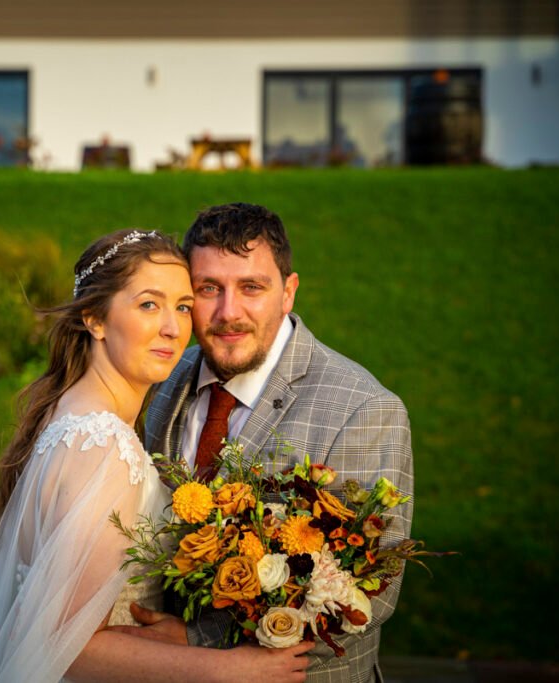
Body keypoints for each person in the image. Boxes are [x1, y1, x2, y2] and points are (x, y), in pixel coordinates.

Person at [0, 228, 313, 682]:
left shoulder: (70, 411)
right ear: (95, 319)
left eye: (183, 306)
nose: (174, 329)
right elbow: (63, 645)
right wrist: (229, 669)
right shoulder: (103, 446)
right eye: (148, 305)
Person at [129, 204, 414, 682]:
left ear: (288, 292)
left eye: (252, 288)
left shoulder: (363, 411)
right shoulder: (163, 379)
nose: (228, 313)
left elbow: (371, 595)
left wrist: (192, 641)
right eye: (208, 289)